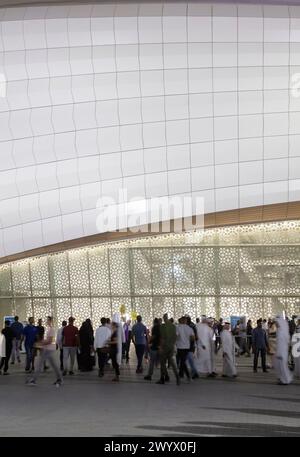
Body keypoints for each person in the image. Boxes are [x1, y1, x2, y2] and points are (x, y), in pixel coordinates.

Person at [26, 316, 63, 387]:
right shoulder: (48, 329)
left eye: (47, 320)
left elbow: (49, 341)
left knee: (39, 365)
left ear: (50, 321)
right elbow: (47, 340)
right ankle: (59, 379)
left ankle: (33, 380)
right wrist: (41, 343)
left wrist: (39, 343)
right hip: (47, 349)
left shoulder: (51, 330)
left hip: (48, 350)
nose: (46, 322)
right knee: (53, 365)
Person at [156, 313, 180, 385]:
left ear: (164, 318)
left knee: (163, 363)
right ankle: (177, 377)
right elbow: (176, 337)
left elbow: (162, 338)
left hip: (165, 347)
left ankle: (162, 379)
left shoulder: (163, 326)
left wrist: (160, 347)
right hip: (171, 347)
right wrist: (173, 344)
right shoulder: (174, 326)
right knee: (172, 363)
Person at [274, 315, 293, 385]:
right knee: (280, 366)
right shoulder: (279, 330)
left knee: (283, 367)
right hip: (280, 351)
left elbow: (283, 343)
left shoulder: (282, 332)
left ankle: (286, 380)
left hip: (282, 352)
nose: (275, 324)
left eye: (276, 322)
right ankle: (283, 378)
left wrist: (280, 353)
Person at [176, 316, 195, 381]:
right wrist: (187, 339)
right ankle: (187, 376)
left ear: (181, 321)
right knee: (183, 361)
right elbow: (193, 338)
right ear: (186, 321)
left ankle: (181, 374)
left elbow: (177, 336)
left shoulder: (178, 327)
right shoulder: (189, 328)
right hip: (187, 347)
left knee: (182, 361)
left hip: (179, 346)